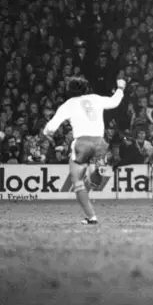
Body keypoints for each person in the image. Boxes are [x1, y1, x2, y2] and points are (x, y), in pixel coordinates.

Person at [43, 77, 126, 225]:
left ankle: (91, 216)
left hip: (82, 142)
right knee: (91, 178)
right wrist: (120, 88)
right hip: (100, 142)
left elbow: (51, 127)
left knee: (77, 181)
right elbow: (114, 102)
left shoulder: (68, 104)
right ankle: (94, 172)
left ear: (69, 90)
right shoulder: (95, 98)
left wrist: (46, 132)